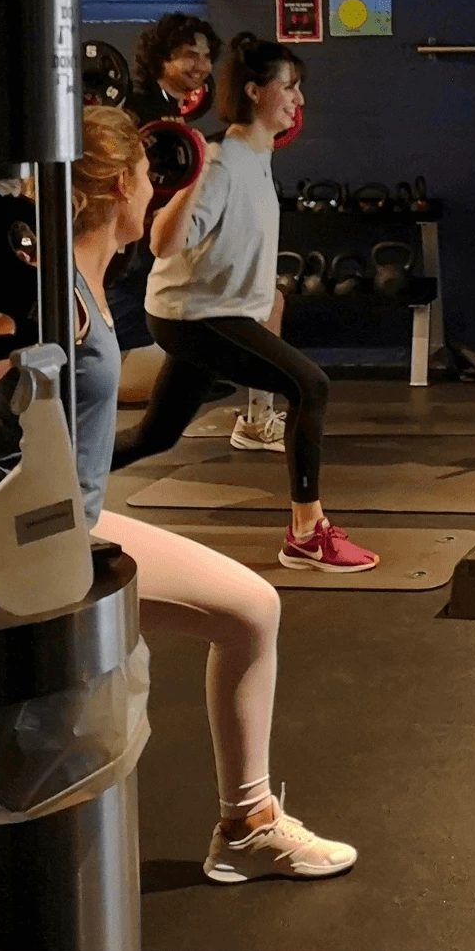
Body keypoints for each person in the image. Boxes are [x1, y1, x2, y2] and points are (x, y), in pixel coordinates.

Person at [0, 104, 357, 882]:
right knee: (16, 744)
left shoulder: (85, 284)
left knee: (250, 611)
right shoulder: (43, 292)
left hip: (66, 525)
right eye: (148, 178)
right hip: (8, 541)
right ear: (117, 186)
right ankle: (237, 827)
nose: (156, 192)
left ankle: (246, 824)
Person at [113, 33, 378, 572]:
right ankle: (307, 532)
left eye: (299, 88)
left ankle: (55, 480)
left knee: (156, 435)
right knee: (311, 385)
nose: (298, 99)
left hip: (207, 312)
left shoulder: (255, 156)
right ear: (255, 92)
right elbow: (163, 243)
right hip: (196, 317)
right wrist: (194, 179)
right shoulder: (223, 161)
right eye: (290, 87)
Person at [110, 13, 232, 419]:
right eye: (189, 56)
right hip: (128, 251)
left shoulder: (176, 114)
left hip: (151, 247)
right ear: (161, 60)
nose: (201, 65)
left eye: (206, 56)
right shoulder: (139, 112)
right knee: (116, 359)